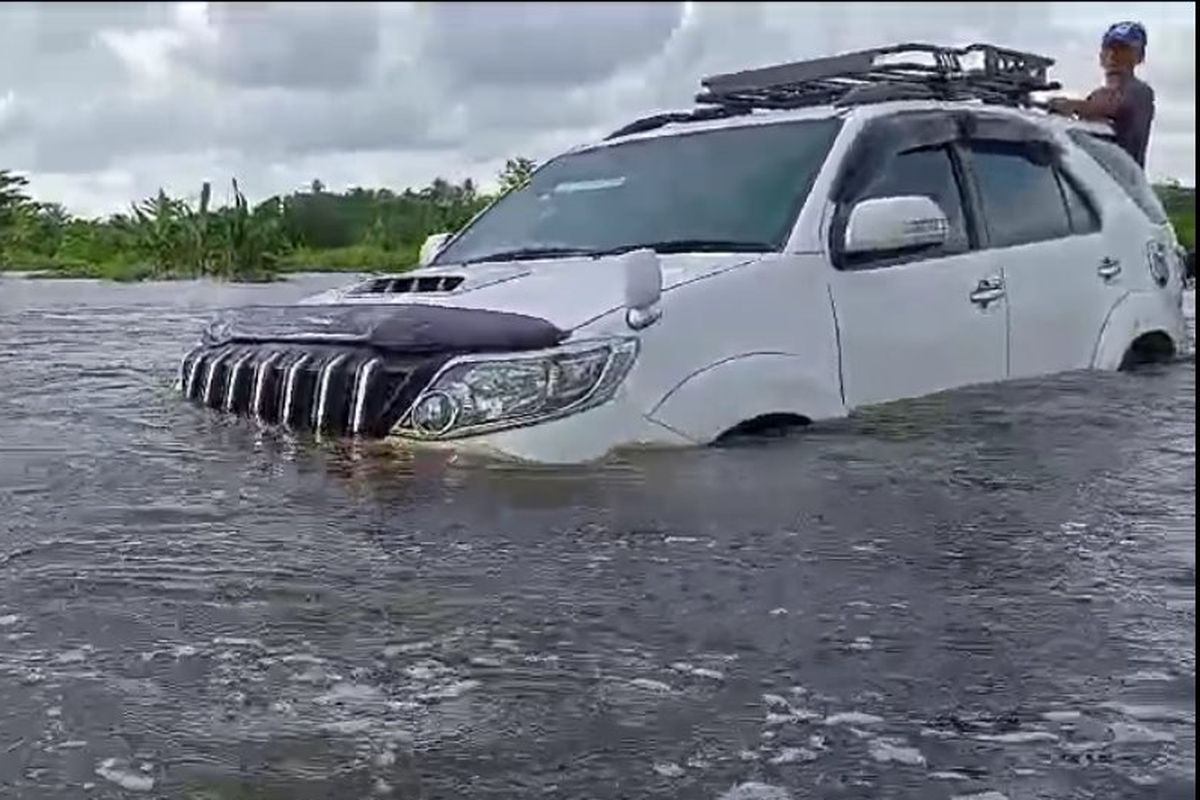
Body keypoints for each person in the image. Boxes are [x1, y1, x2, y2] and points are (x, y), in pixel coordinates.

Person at [1048, 21, 1155, 168]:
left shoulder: (1141, 92)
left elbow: (1112, 104)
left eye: (1123, 50)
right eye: (1109, 49)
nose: (1114, 56)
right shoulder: (1096, 96)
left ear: (1139, 56)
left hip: (1124, 183)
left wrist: (1067, 105)